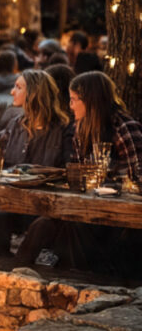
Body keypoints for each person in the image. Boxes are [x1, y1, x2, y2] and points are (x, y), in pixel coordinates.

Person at [14, 72, 142, 273]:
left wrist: (110, 180)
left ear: (91, 101)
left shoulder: (124, 127)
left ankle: (80, 279)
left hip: (117, 213)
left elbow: (138, 176)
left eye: (74, 100)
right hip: (86, 204)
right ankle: (17, 274)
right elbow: (76, 169)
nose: (70, 106)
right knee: (43, 224)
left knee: (73, 228)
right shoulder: (79, 128)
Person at [0, 71, 74, 261]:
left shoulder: (64, 129)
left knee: (42, 226)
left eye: (18, 87)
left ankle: (18, 268)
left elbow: (69, 170)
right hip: (14, 199)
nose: (12, 92)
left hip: (47, 204)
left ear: (34, 93)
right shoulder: (15, 125)